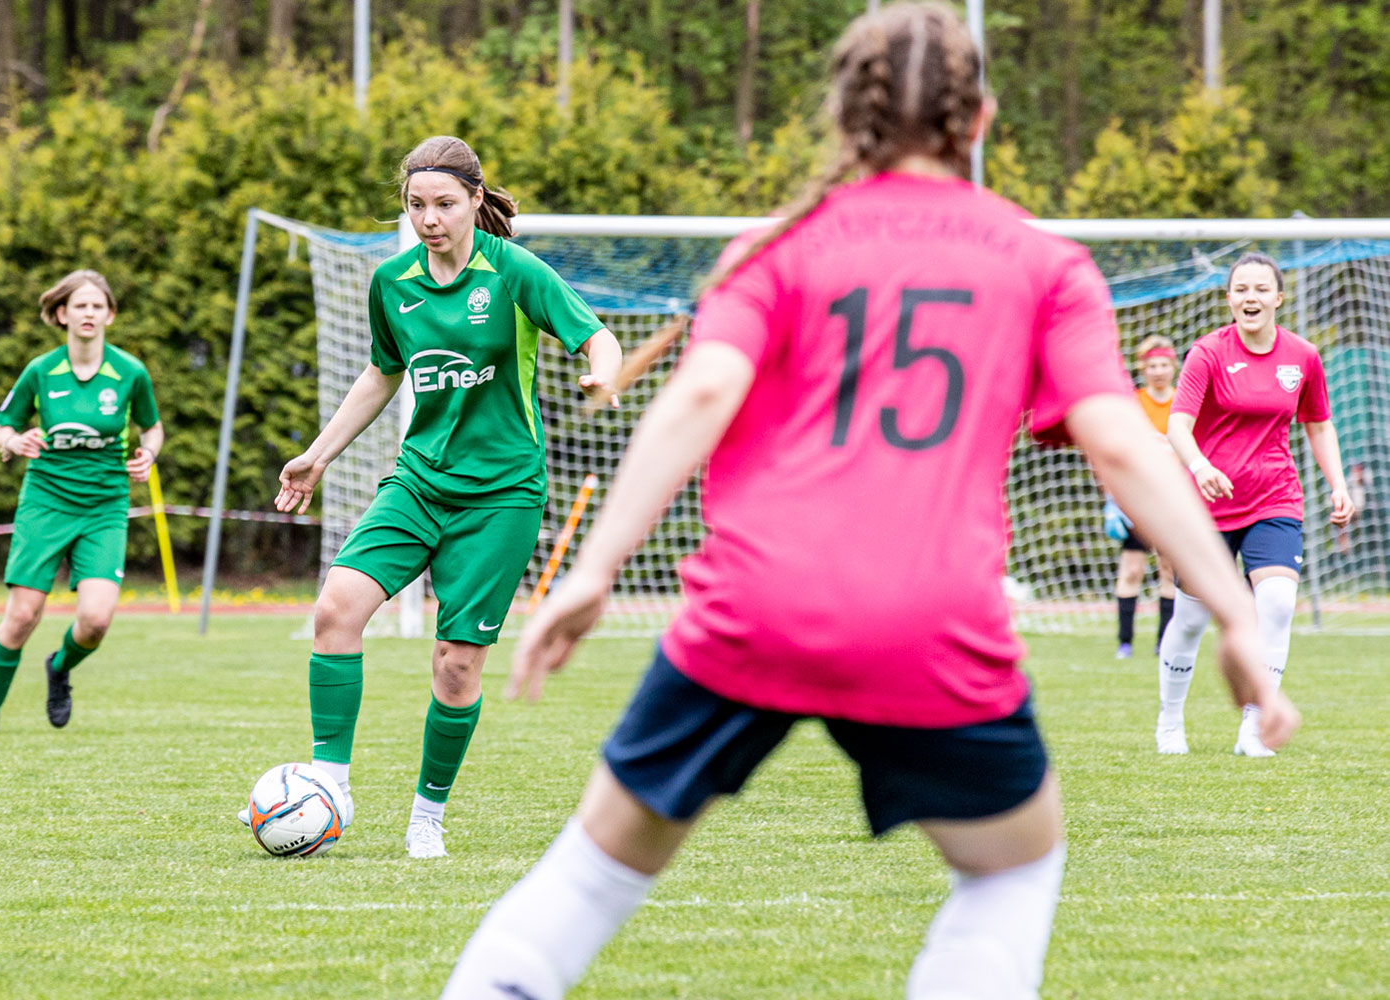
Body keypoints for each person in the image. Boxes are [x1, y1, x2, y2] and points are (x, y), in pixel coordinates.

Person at [439, 5, 1298, 998]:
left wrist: (594, 571)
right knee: (1011, 870)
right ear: (981, 120)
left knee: (590, 876)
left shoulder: (775, 247)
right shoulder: (1043, 263)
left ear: (846, 117)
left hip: (754, 609)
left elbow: (700, 397)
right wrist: (1234, 614)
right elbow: (1121, 444)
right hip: (930, 622)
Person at [263, 136, 623, 859]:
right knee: (336, 608)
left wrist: (603, 374)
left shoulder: (513, 271)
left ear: (475, 201)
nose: (430, 220)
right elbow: (381, 373)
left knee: (456, 664)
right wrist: (317, 456)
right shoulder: (392, 282)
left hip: (502, 497)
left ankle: (427, 816)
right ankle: (330, 786)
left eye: (445, 205)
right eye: (417, 205)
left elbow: (597, 337)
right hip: (419, 480)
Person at [1155, 251, 1355, 757]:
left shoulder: (1303, 356)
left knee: (1278, 604)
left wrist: (1337, 484)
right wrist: (1200, 467)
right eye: (1241, 289)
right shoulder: (1207, 353)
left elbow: (1318, 424)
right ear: (1229, 299)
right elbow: (1178, 425)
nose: (1251, 297)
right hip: (1207, 506)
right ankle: (1170, 720)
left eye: (1261, 289)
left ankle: (1255, 726)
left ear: (1278, 298)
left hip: (1275, 498)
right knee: (1191, 619)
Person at [0, 269, 163, 735]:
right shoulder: (42, 370)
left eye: (98, 305)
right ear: (62, 314)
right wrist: (14, 442)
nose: (89, 313)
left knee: (95, 621)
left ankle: (59, 668)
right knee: (22, 615)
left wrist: (149, 455)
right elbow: (2, 427)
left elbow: (152, 427)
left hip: (105, 506)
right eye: (80, 305)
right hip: (46, 501)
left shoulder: (130, 372)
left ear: (110, 315)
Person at [1104, 335, 1179, 658]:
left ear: (1173, 366)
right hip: (1136, 498)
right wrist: (1112, 501)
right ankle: (1125, 643)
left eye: (1163, 365)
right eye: (1152, 366)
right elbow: (1113, 450)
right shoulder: (1133, 403)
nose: (1158, 371)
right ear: (1143, 369)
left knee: (1168, 570)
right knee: (1132, 570)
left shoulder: (1183, 402)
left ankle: (1164, 642)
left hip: (1172, 499)